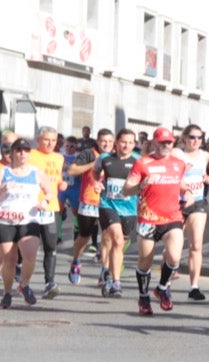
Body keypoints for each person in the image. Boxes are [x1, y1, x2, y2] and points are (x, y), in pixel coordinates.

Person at [122, 127, 188, 317]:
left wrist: (188, 192)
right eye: (162, 142)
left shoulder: (178, 163)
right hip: (148, 219)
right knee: (145, 260)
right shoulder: (142, 163)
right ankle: (143, 297)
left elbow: (178, 183)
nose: (166, 146)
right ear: (154, 143)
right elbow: (126, 190)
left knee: (175, 257)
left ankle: (162, 287)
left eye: (169, 142)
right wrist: (140, 186)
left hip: (172, 217)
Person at [0, 139, 43, 308]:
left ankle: (24, 285)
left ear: (29, 153)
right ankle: (7, 294)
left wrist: (45, 201)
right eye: (18, 150)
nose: (22, 153)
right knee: (10, 258)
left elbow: (49, 191)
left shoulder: (36, 173)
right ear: (12, 152)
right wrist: (1, 191)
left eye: (26, 150)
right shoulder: (3, 173)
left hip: (28, 220)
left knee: (30, 255)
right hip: (4, 220)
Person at [23, 126, 66, 300]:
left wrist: (62, 184)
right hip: (30, 208)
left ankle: (49, 283)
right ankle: (19, 274)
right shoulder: (29, 155)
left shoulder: (59, 157)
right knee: (26, 248)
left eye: (54, 140)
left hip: (51, 208)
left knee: (50, 246)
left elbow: (57, 178)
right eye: (46, 140)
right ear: (38, 139)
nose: (50, 143)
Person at [96, 130, 140, 297]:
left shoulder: (138, 160)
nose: (126, 145)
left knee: (120, 245)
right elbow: (95, 175)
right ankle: (116, 281)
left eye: (130, 142)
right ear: (116, 143)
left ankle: (108, 272)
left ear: (134, 144)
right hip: (108, 204)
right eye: (123, 142)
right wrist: (97, 184)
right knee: (117, 238)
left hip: (129, 208)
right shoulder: (105, 159)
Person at [65, 130, 110, 286]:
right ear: (97, 141)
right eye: (104, 141)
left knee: (107, 237)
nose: (107, 144)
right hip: (89, 201)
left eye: (110, 142)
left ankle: (105, 271)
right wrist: (94, 163)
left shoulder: (115, 156)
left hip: (108, 202)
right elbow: (72, 170)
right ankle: (76, 261)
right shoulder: (88, 153)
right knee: (84, 236)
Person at [175, 126, 209, 300]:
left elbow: (208, 174)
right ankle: (165, 282)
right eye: (192, 137)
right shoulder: (177, 154)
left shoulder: (204, 155)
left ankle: (194, 287)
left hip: (197, 202)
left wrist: (208, 179)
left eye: (200, 137)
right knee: (173, 247)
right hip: (177, 203)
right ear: (184, 138)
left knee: (196, 245)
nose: (196, 141)